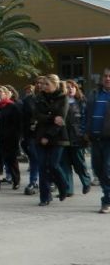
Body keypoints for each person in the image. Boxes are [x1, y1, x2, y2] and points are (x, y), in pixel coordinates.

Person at [32, 74, 69, 206]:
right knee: (42, 167)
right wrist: (52, 118)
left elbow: (61, 120)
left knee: (53, 165)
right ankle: (45, 197)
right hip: (40, 136)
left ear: (55, 84)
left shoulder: (63, 98)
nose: (44, 86)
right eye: (43, 84)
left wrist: (48, 136)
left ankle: (63, 186)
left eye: (47, 84)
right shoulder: (39, 98)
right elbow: (37, 115)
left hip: (57, 137)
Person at [83, 68, 110, 213]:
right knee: (98, 169)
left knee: (107, 169)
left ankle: (107, 200)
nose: (108, 78)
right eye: (105, 76)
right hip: (95, 138)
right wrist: (85, 131)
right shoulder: (94, 94)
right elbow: (86, 113)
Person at [61, 79, 92, 196]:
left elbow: (86, 119)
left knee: (79, 163)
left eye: (72, 87)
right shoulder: (61, 101)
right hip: (64, 137)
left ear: (76, 88)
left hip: (77, 137)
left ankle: (86, 182)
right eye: (67, 87)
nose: (70, 89)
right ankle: (68, 189)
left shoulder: (82, 101)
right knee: (65, 164)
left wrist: (84, 134)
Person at [0, 86, 22, 191]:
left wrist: (16, 137)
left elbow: (17, 124)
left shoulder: (12, 106)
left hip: (10, 138)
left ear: (6, 94)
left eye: (0, 91)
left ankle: (16, 181)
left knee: (11, 161)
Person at [21, 77, 45, 196]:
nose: (39, 85)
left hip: (46, 133)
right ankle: (33, 181)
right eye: (37, 83)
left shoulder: (49, 98)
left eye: (42, 83)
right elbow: (23, 117)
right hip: (31, 134)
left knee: (45, 159)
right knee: (35, 157)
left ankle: (48, 180)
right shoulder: (28, 100)